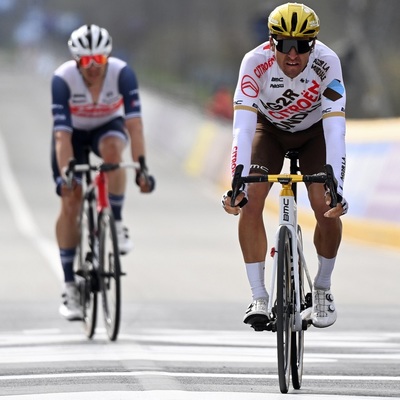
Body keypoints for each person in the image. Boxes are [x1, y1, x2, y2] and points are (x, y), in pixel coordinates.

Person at [222, 3, 348, 329]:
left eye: (303, 45)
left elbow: (335, 128)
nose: (293, 55)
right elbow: (243, 129)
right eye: (284, 45)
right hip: (269, 132)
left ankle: (321, 287)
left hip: (314, 134)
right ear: (271, 42)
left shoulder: (328, 63)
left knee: (325, 206)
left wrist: (338, 183)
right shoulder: (254, 63)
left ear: (314, 44)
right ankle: (259, 295)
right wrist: (236, 180)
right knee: (249, 201)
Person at [51, 24, 155, 321]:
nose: (94, 66)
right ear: (76, 61)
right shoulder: (63, 79)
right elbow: (61, 137)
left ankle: (117, 223)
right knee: (71, 198)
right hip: (72, 135)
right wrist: (66, 174)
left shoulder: (122, 73)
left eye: (99, 59)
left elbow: (134, 126)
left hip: (106, 128)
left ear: (108, 57)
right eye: (86, 61)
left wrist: (142, 168)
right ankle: (70, 284)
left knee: (113, 153)